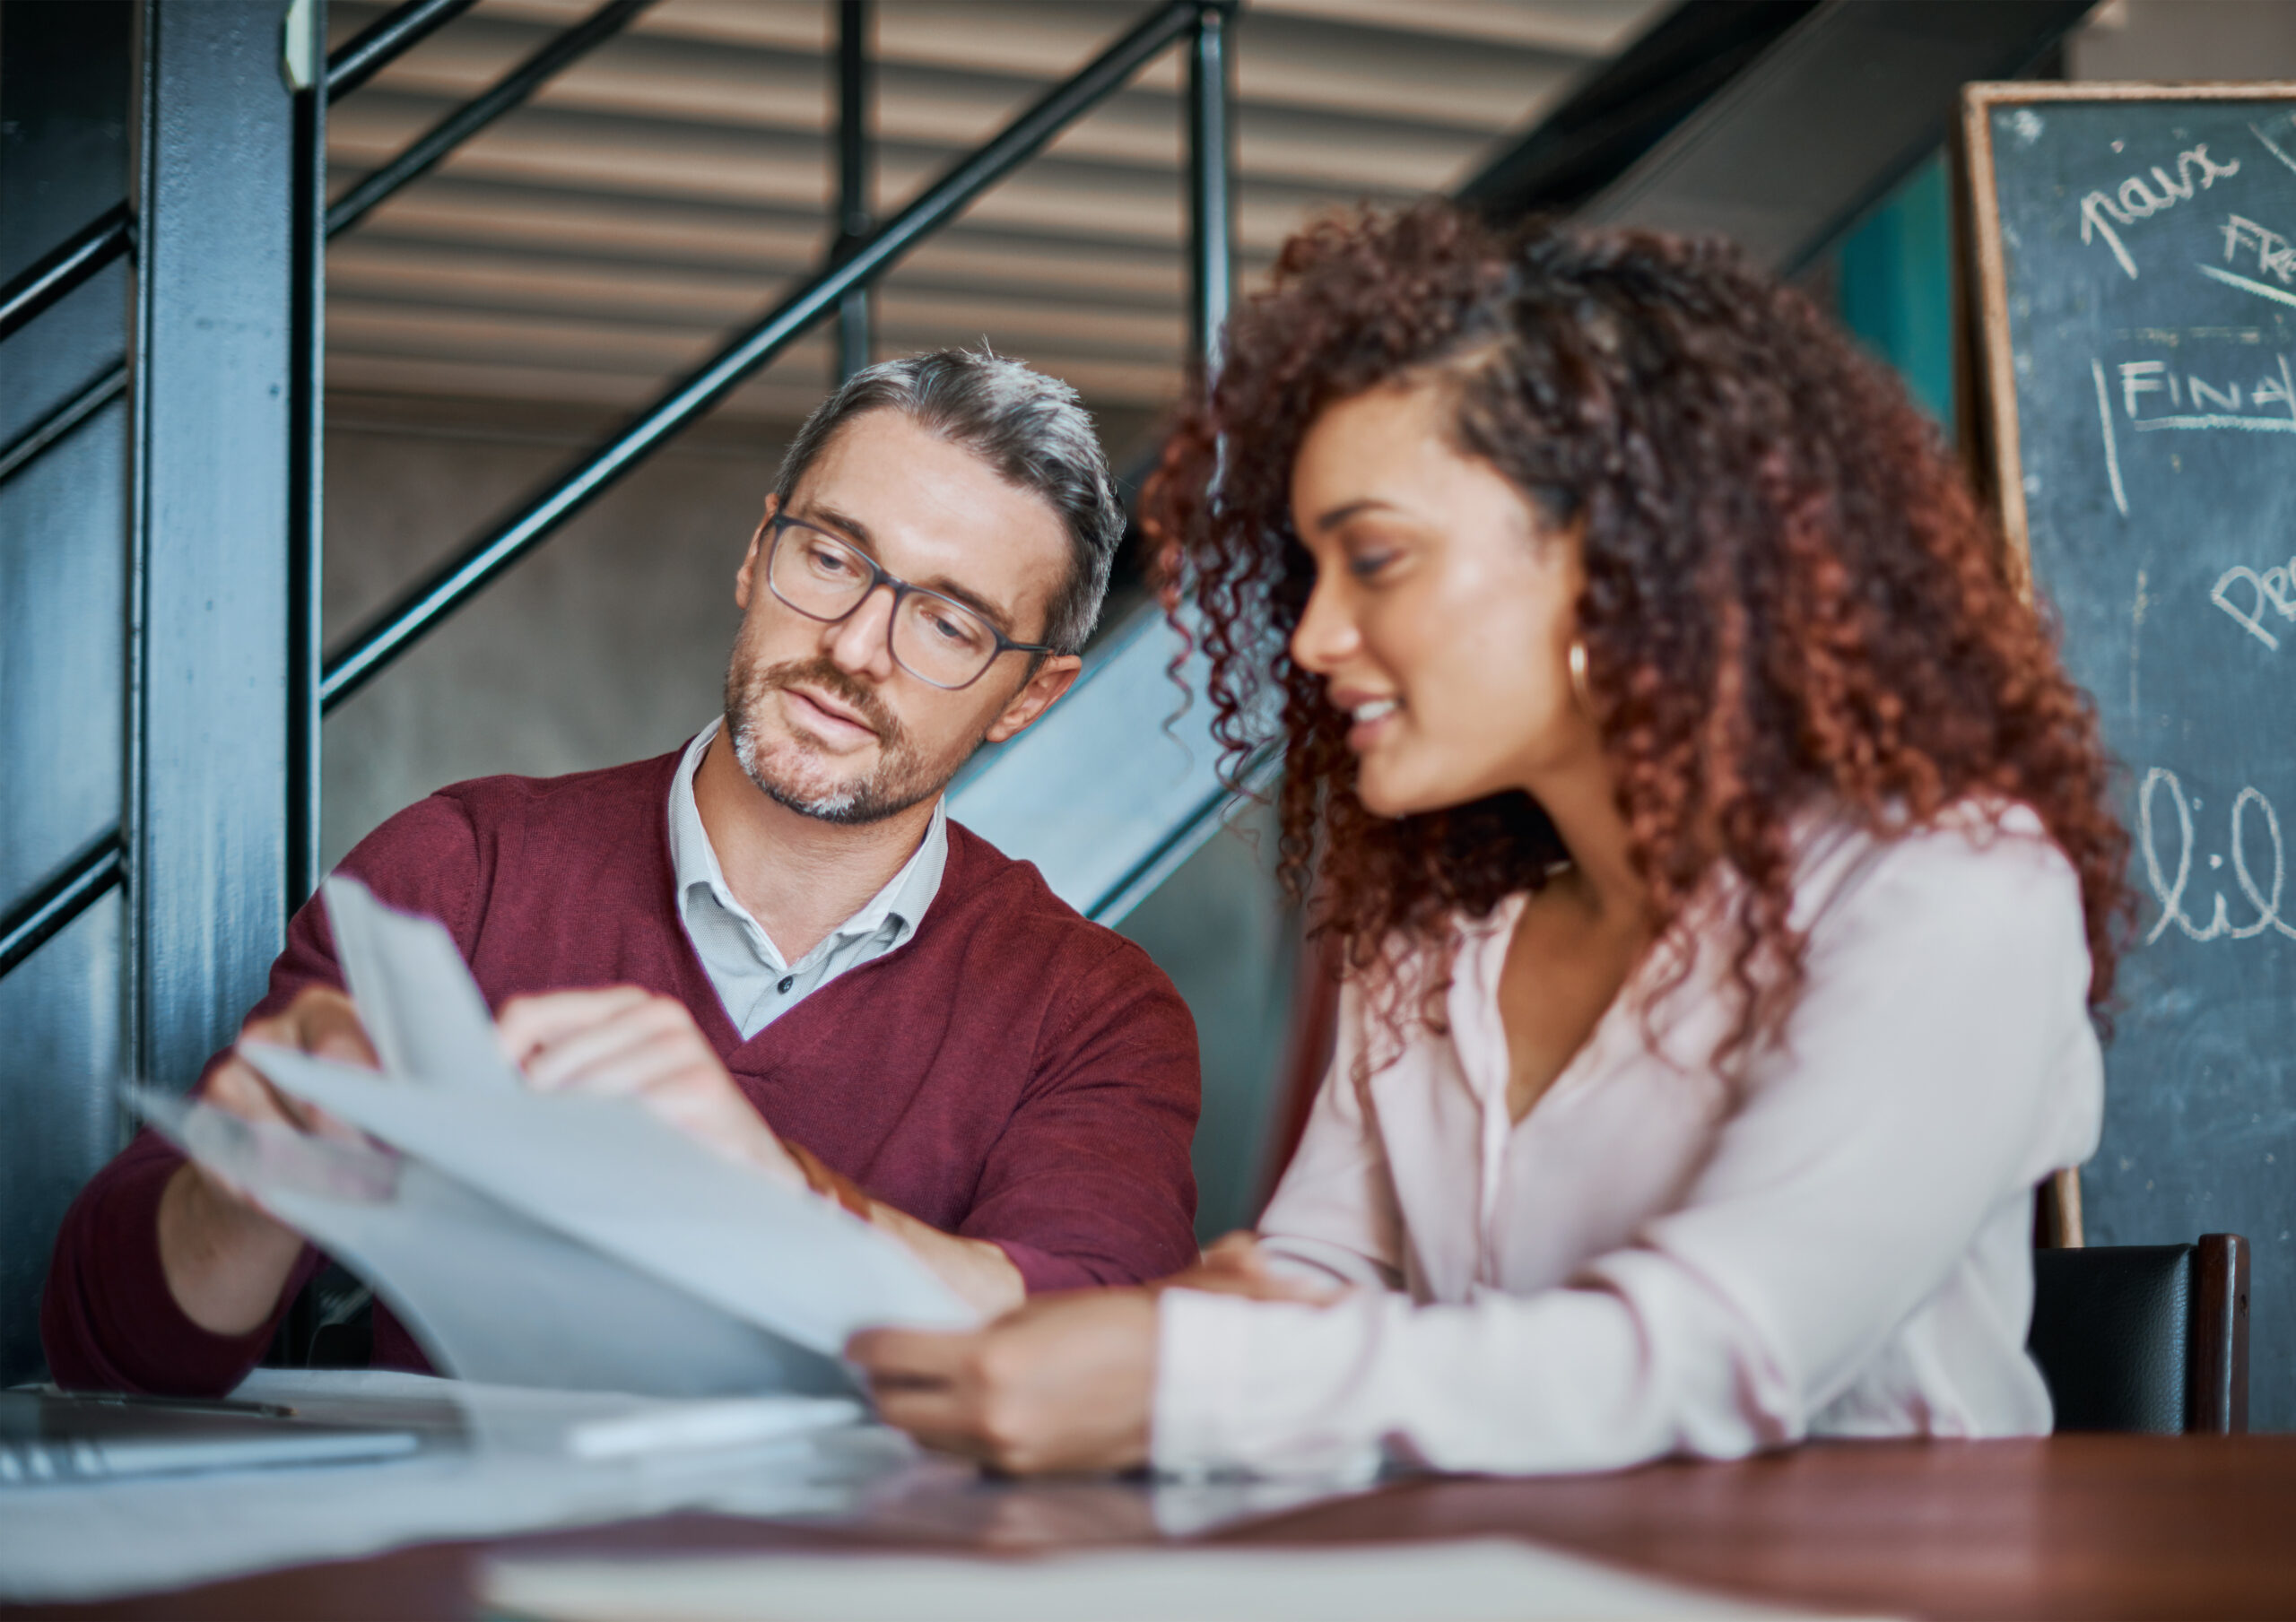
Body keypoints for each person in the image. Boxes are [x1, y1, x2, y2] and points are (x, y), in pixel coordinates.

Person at [846, 208, 2130, 1478]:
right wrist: (1213, 1334)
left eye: (1380, 559)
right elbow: (1311, 1284)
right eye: (1313, 573)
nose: (1313, 638)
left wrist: (1196, 1371)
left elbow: (1725, 1350)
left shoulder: (1955, 892)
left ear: (1618, 555)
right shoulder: (1434, 944)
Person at [44, 349, 1202, 1396]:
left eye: (949, 624)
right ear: (758, 555)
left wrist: (779, 1198)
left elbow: (1105, 1357)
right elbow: (119, 1349)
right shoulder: (460, 871)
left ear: (1033, 696)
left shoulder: (1094, 1013)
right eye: (832, 556)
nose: (853, 646)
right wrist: (248, 1191)